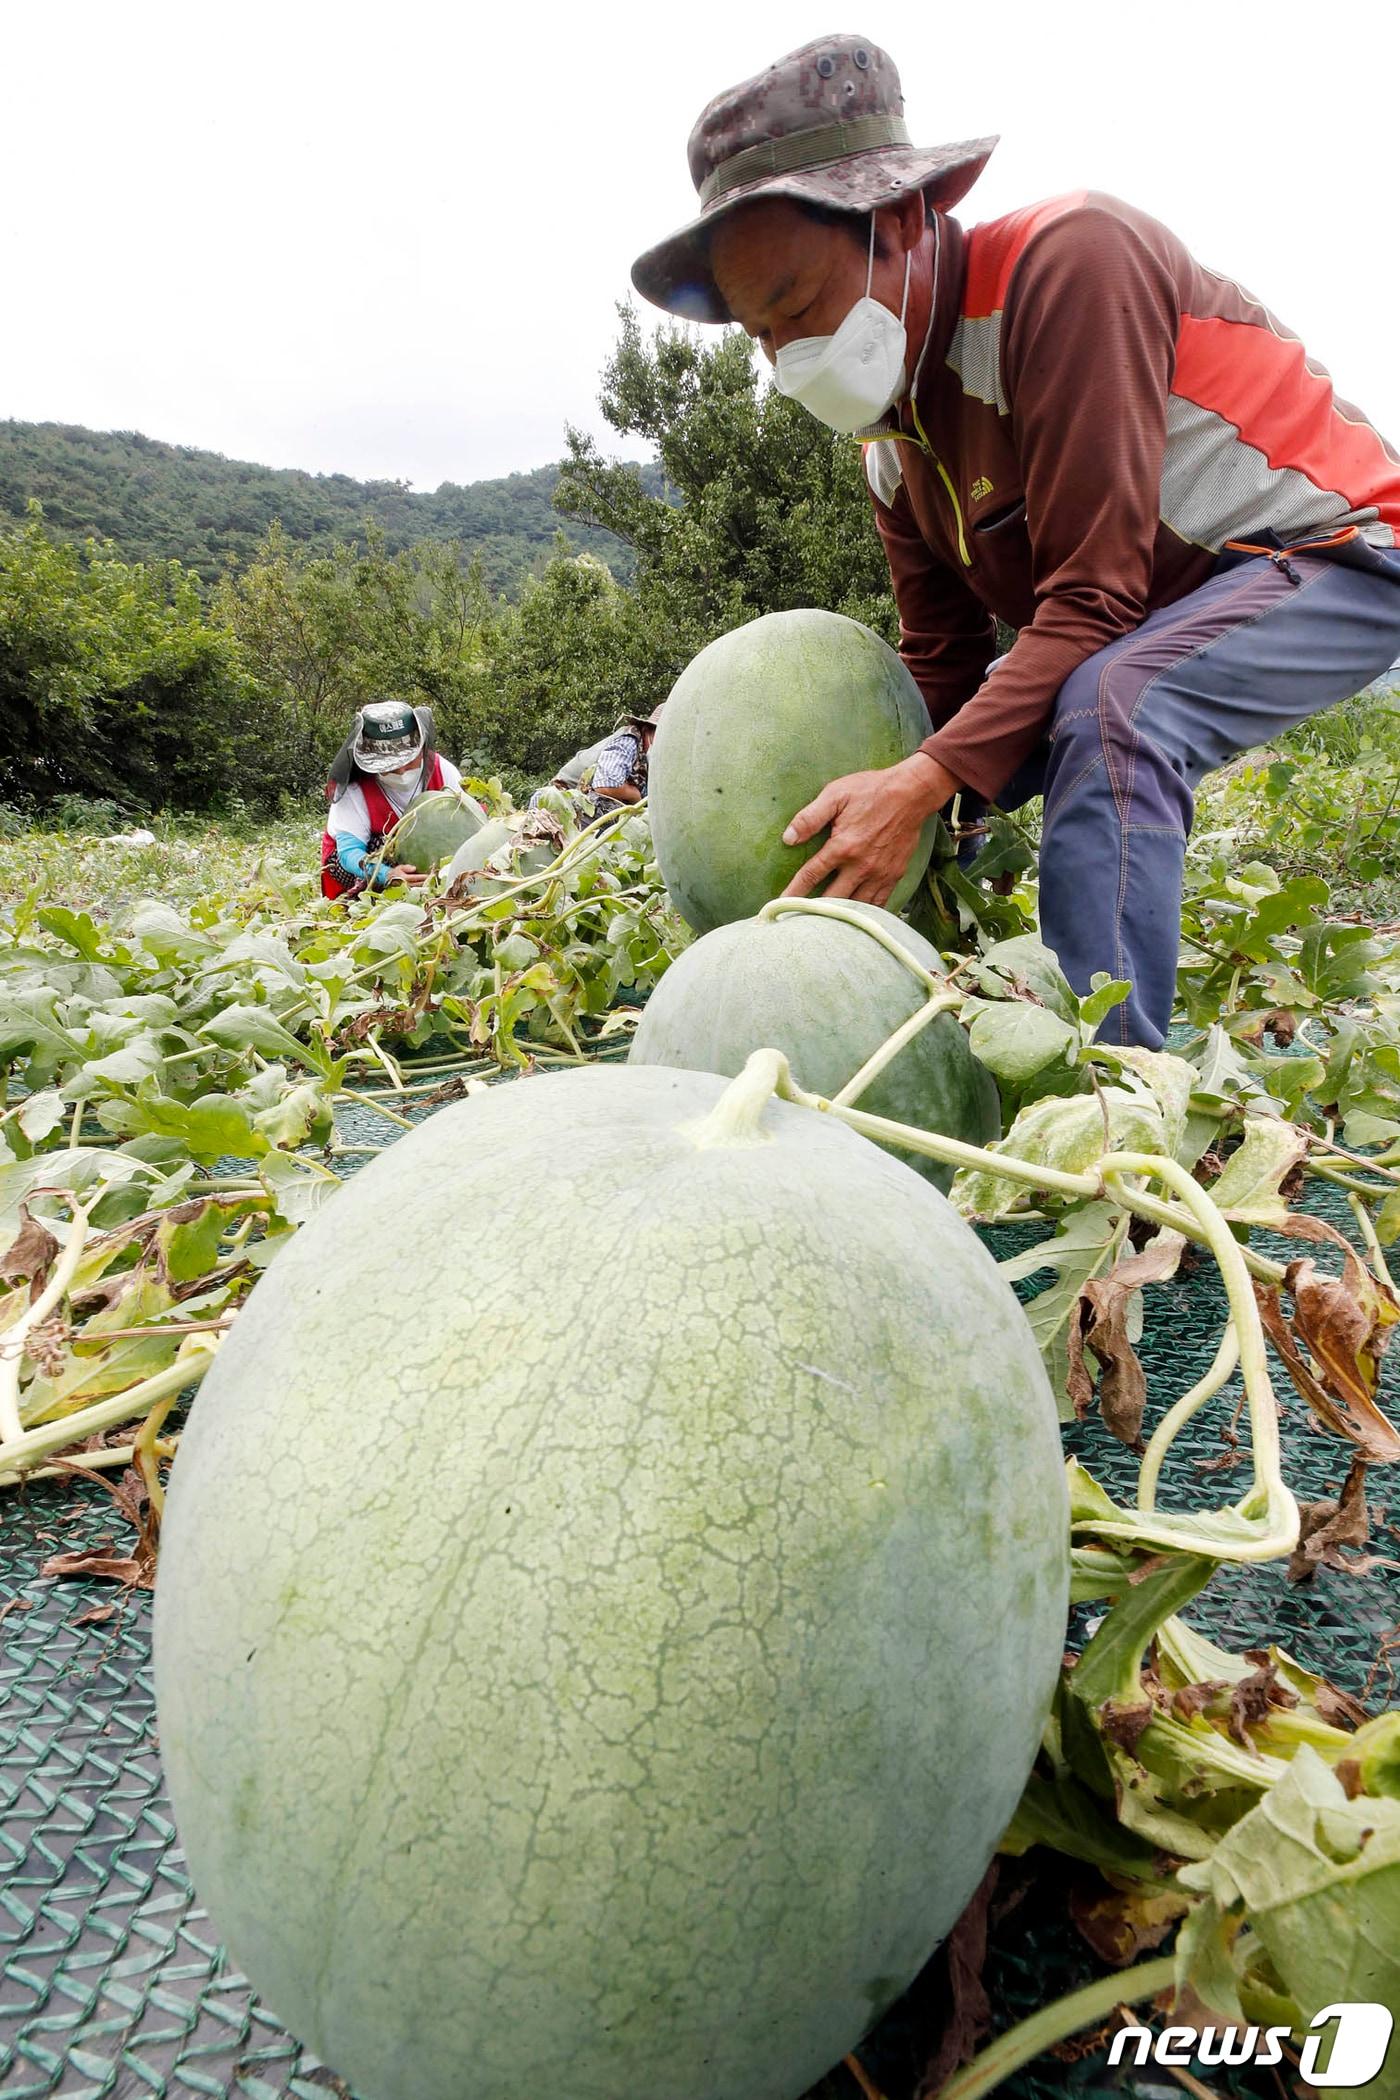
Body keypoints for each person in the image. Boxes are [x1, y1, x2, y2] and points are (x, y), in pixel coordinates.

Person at [630, 36, 1400, 1049]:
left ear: (898, 221)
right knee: (946, 761)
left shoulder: (1067, 264)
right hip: (1156, 613)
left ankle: (1116, 1095)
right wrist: (902, 798)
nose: (788, 356)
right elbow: (941, 664)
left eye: (799, 308)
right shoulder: (887, 444)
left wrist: (925, 780)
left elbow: (1090, 602)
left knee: (1112, 709)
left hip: (1334, 553)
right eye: (760, 336)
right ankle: (939, 996)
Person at [321, 701, 465, 899]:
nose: (401, 770)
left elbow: (468, 824)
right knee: (380, 845)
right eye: (390, 766)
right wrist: (386, 874)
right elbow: (349, 853)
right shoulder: (355, 788)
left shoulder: (443, 771)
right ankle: (366, 900)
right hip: (374, 868)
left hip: (434, 860)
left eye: (409, 761)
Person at [588, 706, 665, 819]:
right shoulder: (629, 741)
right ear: (647, 730)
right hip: (589, 813)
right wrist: (635, 795)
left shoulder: (654, 762)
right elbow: (605, 785)